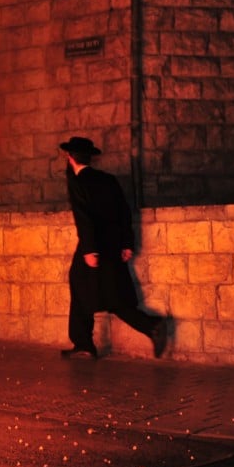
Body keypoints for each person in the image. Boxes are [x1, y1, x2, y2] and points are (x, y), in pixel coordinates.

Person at [59, 136, 168, 359]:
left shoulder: (78, 182)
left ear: (70, 158)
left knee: (98, 291)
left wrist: (90, 250)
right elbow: (123, 211)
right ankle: (86, 341)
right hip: (113, 245)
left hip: (95, 246)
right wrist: (126, 243)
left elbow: (84, 217)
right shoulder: (108, 180)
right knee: (110, 293)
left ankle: (148, 326)